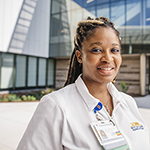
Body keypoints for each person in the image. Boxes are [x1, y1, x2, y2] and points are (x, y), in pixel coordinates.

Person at [17, 17, 150, 150]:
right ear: (80, 56)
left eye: (114, 50)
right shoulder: (56, 106)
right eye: (97, 50)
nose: (108, 58)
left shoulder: (128, 102)